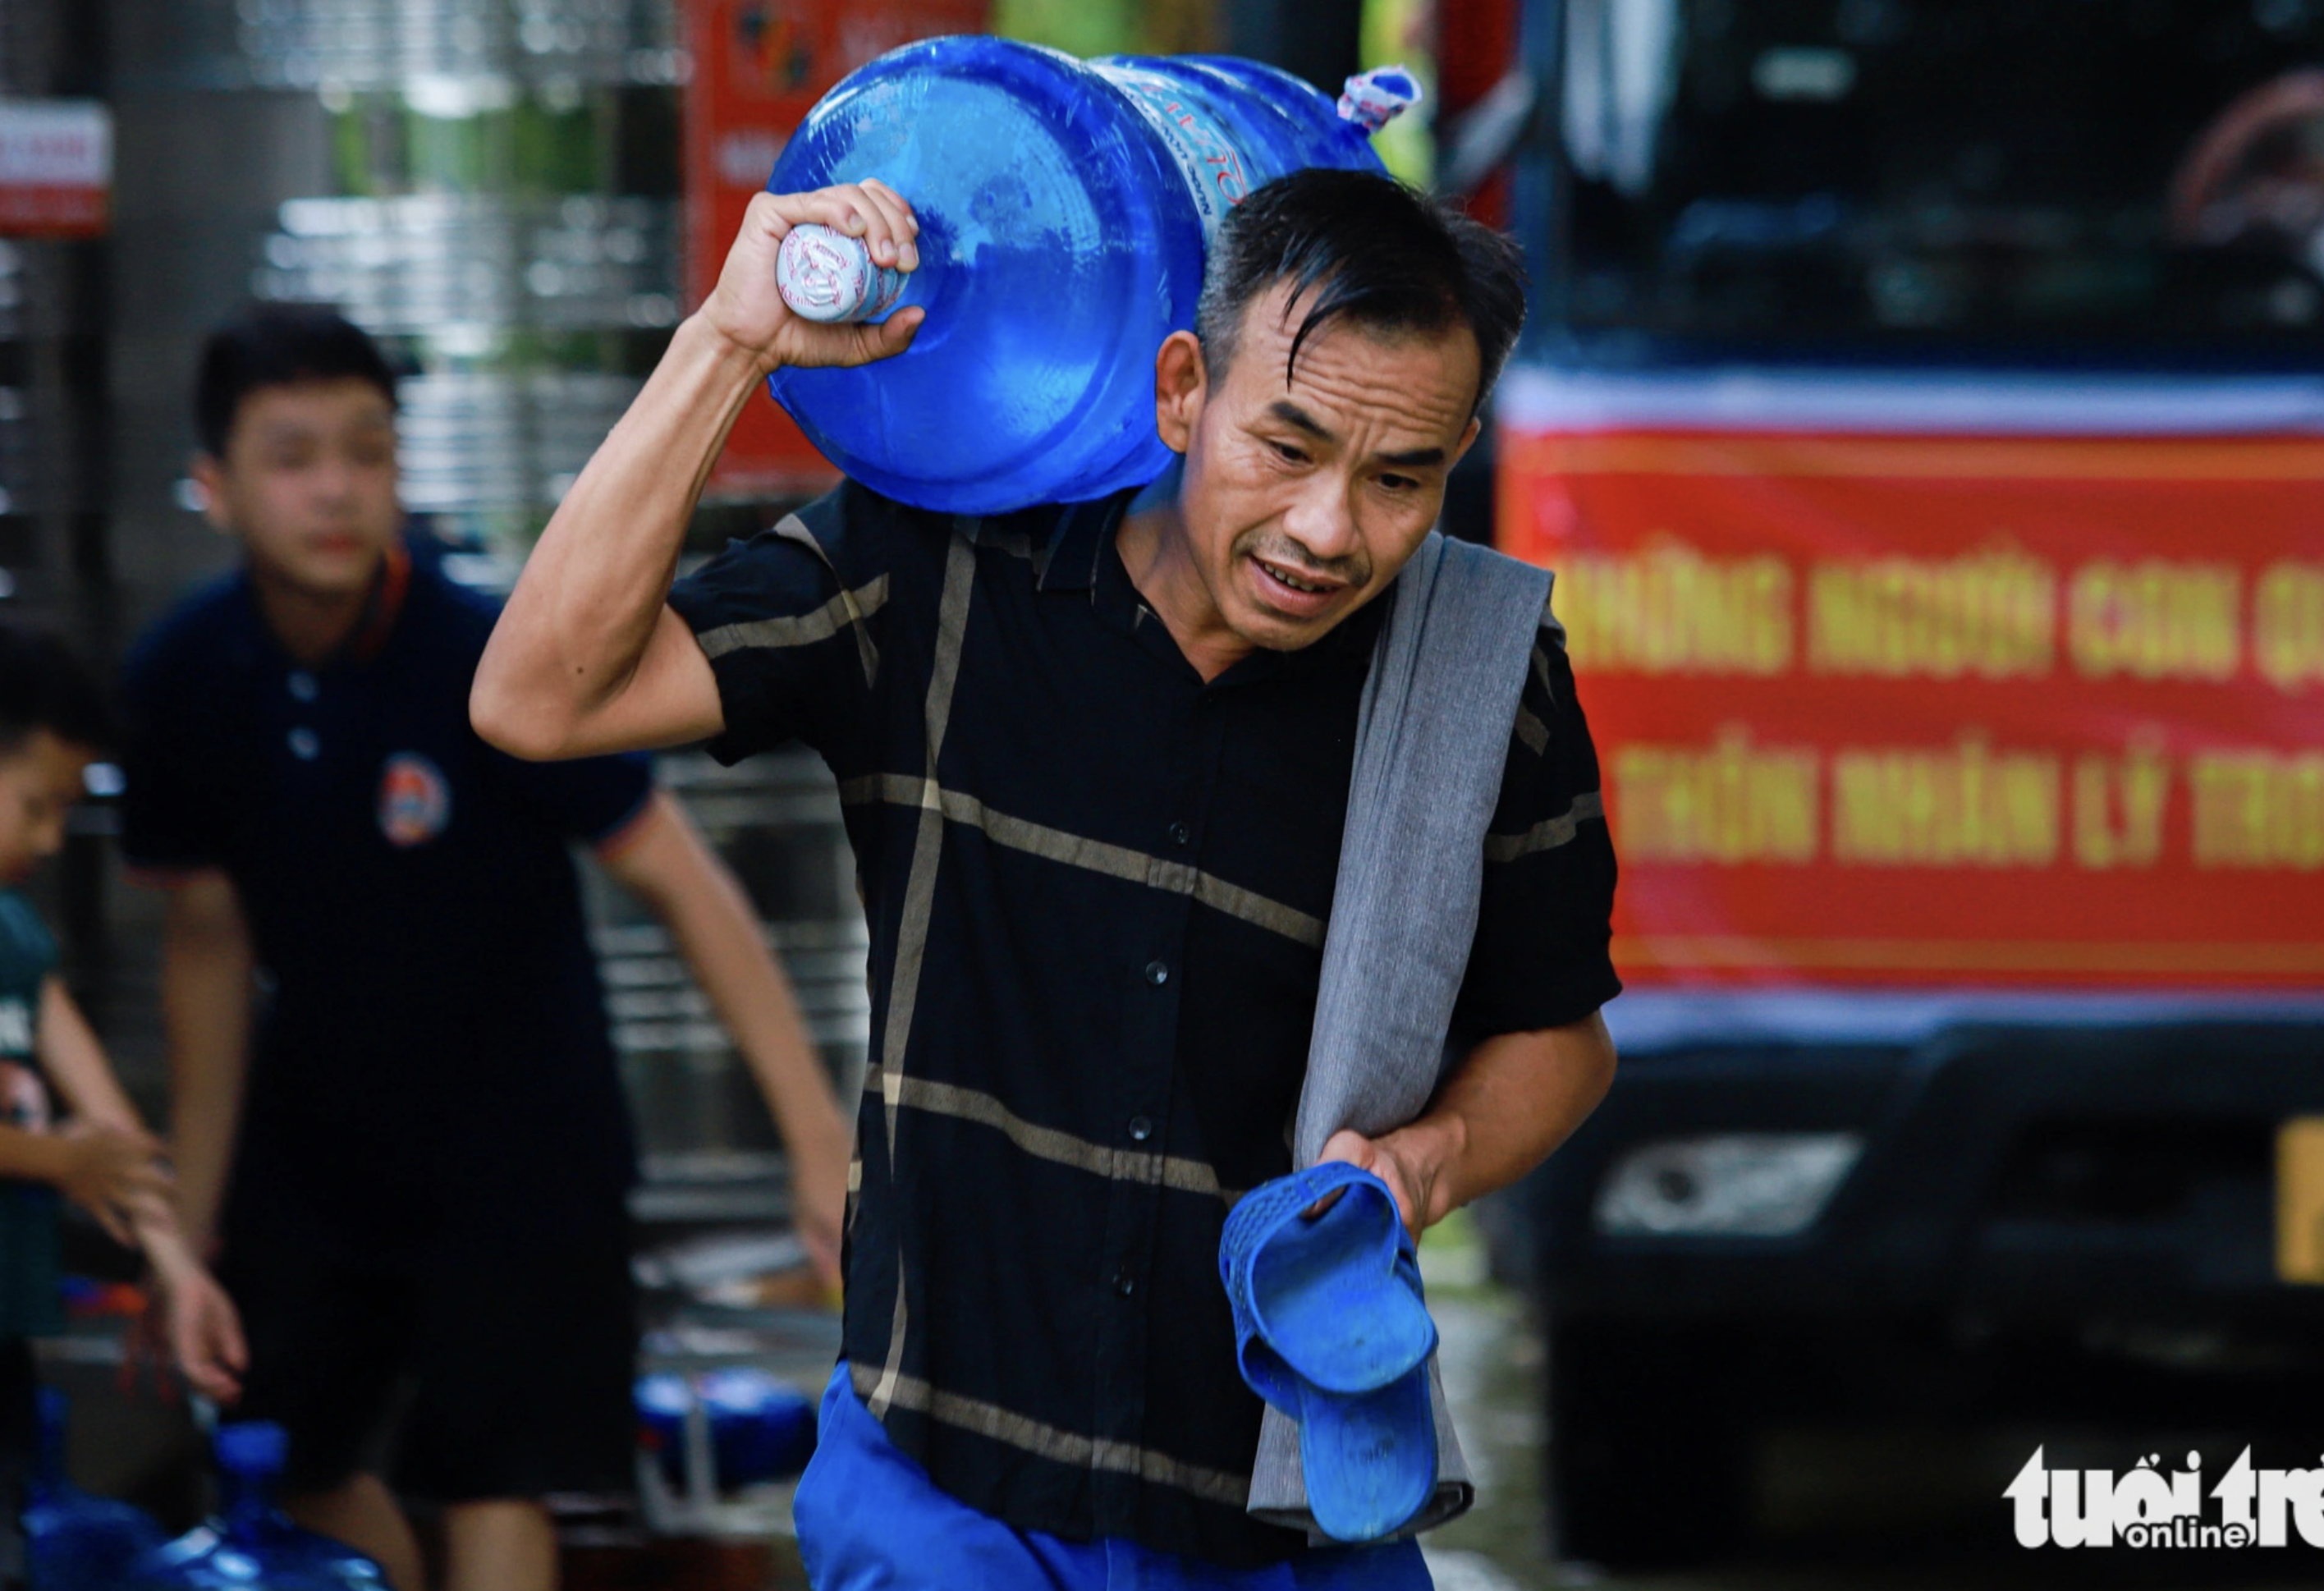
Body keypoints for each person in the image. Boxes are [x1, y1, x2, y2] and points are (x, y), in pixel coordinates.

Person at [472, 169, 1622, 1589]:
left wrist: (1421, 1162)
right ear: (1183, 387)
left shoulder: (1478, 680)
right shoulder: (934, 566)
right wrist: (729, 342)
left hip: (1285, 1511)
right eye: (1289, 444)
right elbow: (538, 698)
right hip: (946, 1498)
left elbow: (1558, 1035)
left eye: (1398, 479)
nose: (1330, 529)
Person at [117, 305, 852, 1591]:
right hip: (315, 1156)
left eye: (366, 449)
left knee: (498, 1481)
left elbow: (687, 884)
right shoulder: (183, 678)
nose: (337, 489)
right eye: (293, 457)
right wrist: (187, 1226)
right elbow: (204, 956)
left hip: (520, 1155)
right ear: (212, 487)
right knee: (289, 1460)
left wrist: (812, 1140)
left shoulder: (485, 655)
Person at [0, 627, 245, 1589]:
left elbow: (109, 1129)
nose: (54, 839)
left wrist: (178, 1269)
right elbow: (78, 1155)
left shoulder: (15, 934)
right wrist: (53, 1164)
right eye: (36, 806)